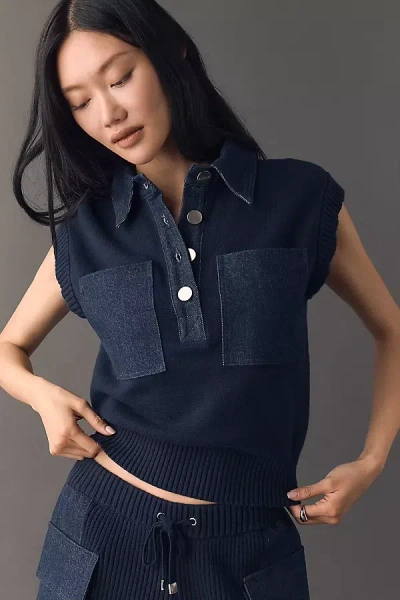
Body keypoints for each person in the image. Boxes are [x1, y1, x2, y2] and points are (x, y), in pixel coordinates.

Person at [1, 0, 398, 598]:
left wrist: (372, 461)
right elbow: (8, 347)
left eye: (120, 77)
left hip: (248, 557)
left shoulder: (299, 199)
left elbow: (391, 328)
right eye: (80, 102)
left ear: (173, 54)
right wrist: (43, 399)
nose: (108, 113)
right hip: (100, 544)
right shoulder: (88, 232)